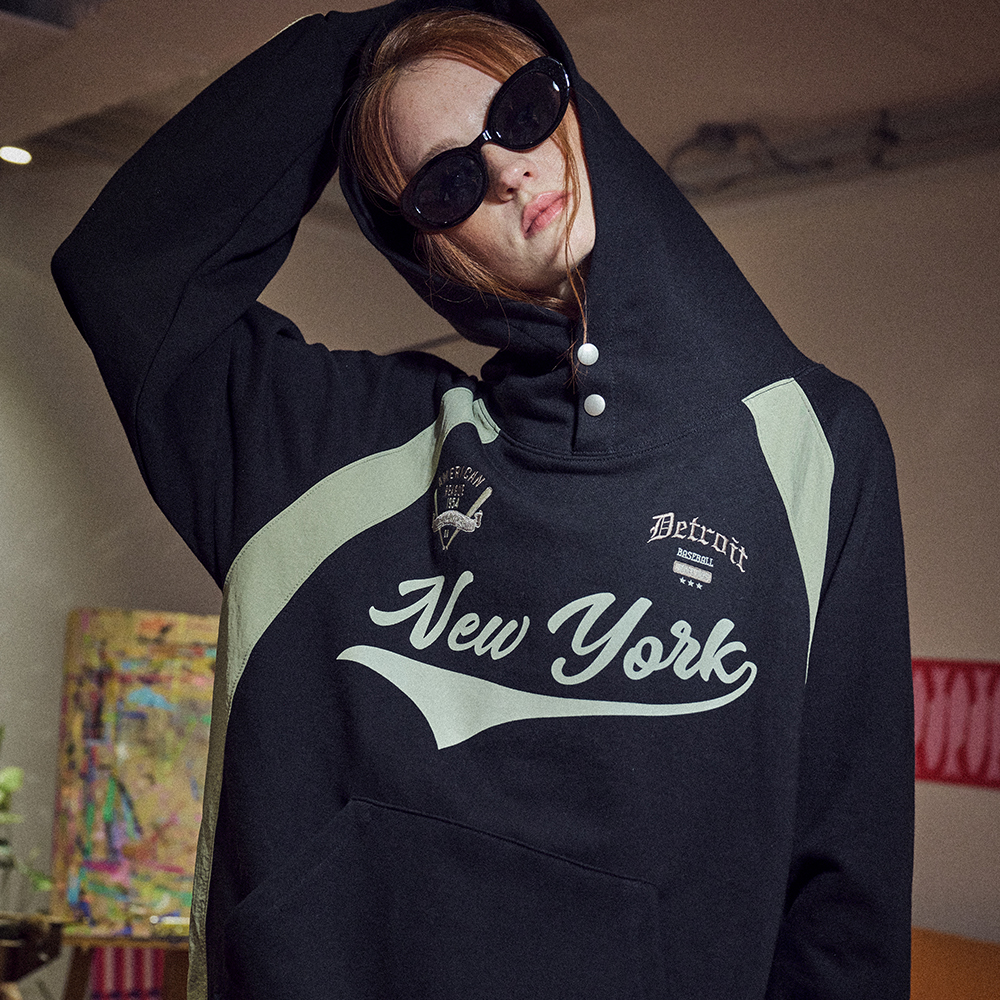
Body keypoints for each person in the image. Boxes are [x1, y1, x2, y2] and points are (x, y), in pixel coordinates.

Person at [52, 1, 914, 998]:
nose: (507, 168)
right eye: (446, 180)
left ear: (574, 101)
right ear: (428, 251)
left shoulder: (812, 447)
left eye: (520, 108)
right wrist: (365, 39)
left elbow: (843, 905)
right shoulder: (334, 455)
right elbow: (124, 275)